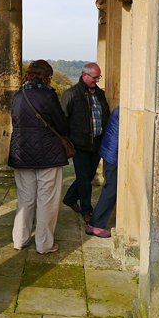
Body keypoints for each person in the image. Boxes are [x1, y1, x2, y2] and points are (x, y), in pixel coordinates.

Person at [8, 60, 68, 254]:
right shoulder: (48, 96)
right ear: (46, 76)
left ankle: (20, 239)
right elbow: (61, 125)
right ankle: (44, 244)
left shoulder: (18, 95)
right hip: (47, 154)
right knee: (47, 200)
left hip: (21, 153)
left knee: (25, 199)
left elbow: (16, 123)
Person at [60, 62, 111, 223]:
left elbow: (106, 116)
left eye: (98, 77)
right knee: (84, 180)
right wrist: (69, 140)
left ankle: (69, 198)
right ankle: (86, 211)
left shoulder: (100, 94)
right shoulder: (71, 94)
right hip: (79, 144)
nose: (96, 80)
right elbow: (63, 120)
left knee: (87, 177)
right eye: (94, 77)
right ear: (84, 75)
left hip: (97, 143)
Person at [87, 105, 120, 238]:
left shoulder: (121, 107)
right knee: (111, 188)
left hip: (111, 151)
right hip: (113, 153)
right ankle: (95, 224)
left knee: (111, 188)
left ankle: (95, 223)